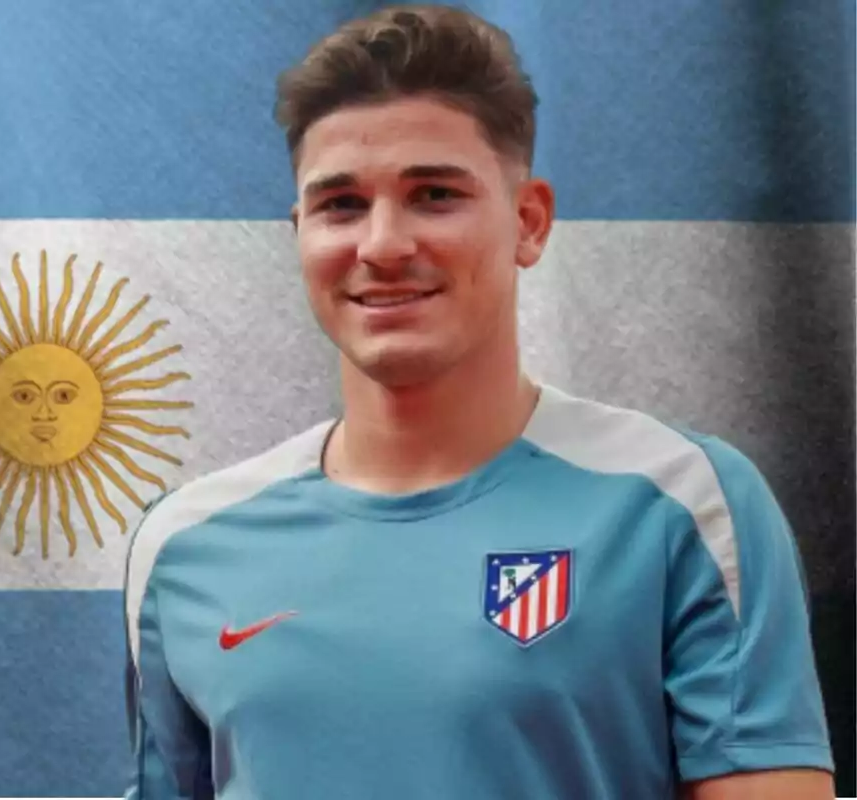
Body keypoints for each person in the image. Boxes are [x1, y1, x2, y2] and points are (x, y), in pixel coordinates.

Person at [121, 5, 835, 798]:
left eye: (433, 194)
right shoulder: (184, 546)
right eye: (341, 205)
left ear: (528, 222)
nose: (383, 245)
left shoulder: (683, 504)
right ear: (299, 233)